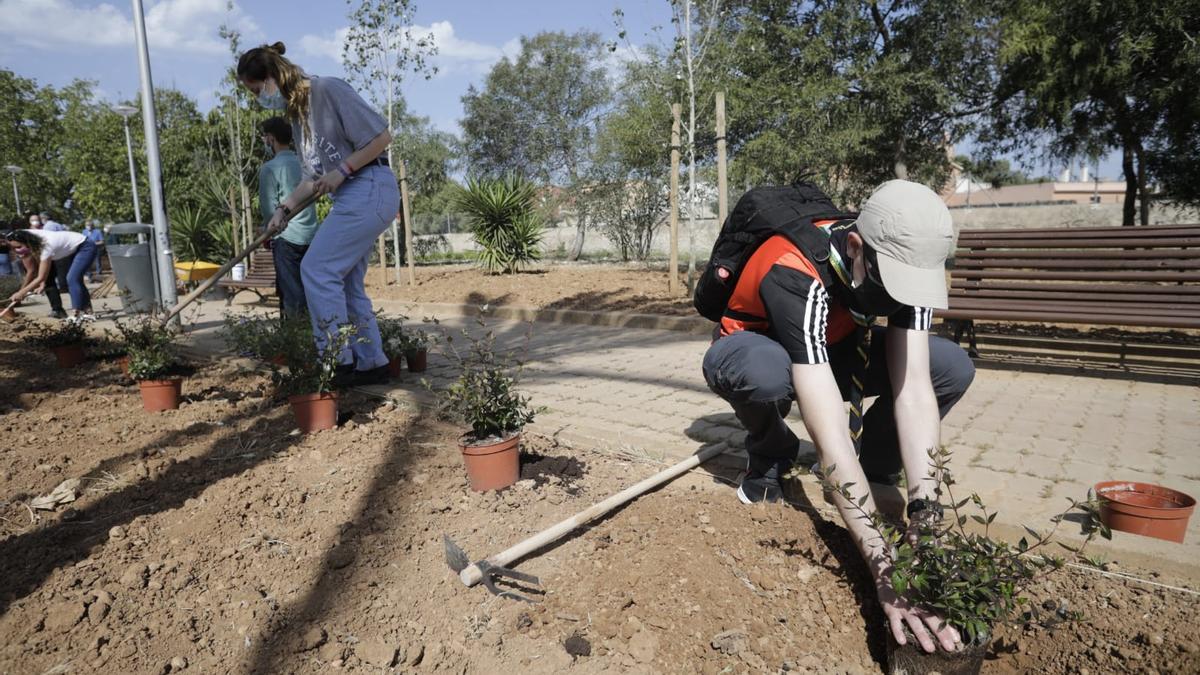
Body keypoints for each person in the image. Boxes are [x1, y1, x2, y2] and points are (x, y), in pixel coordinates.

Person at [701, 179, 974, 655]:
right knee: (766, 375)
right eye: (891, 285)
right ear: (855, 248)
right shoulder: (794, 268)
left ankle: (876, 470)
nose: (901, 298)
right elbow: (829, 439)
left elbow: (914, 391)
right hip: (754, 344)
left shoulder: (907, 266)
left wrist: (926, 513)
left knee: (949, 366)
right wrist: (884, 571)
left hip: (831, 344)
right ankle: (770, 450)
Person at [237, 41, 398, 387]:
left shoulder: (327, 89)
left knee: (317, 268)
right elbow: (311, 179)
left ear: (270, 78)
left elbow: (382, 137)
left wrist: (342, 170)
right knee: (345, 281)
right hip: (352, 194)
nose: (257, 98)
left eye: (255, 90)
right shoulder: (298, 116)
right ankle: (372, 364)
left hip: (371, 186)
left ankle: (335, 361)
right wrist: (283, 210)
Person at [258, 116, 320, 316]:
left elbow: (270, 211)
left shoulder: (269, 169)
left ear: (270, 138)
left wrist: (267, 234)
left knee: (291, 298)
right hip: (311, 236)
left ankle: (294, 343)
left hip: (285, 239)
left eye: (264, 137)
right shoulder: (304, 164)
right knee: (311, 294)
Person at [3, 228, 98, 319]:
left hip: (85, 246)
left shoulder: (46, 245)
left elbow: (40, 276)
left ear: (28, 243)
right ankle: (88, 312)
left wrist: (22, 292)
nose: (16, 250)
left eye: (19, 247)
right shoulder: (21, 235)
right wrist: (42, 283)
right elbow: (42, 269)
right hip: (72, 249)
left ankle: (78, 313)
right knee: (76, 279)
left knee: (72, 279)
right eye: (14, 248)